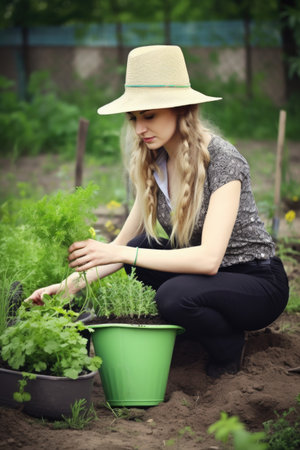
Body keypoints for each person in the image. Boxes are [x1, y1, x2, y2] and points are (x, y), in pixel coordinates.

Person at [28, 45, 289, 378]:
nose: (139, 128)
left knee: (172, 296)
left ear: (181, 109)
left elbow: (209, 259)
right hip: (211, 280)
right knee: (140, 248)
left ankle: (227, 345)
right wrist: (68, 285)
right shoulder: (155, 163)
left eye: (149, 115)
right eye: (134, 118)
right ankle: (199, 331)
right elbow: (119, 249)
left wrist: (121, 252)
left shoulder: (222, 160)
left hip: (255, 282)